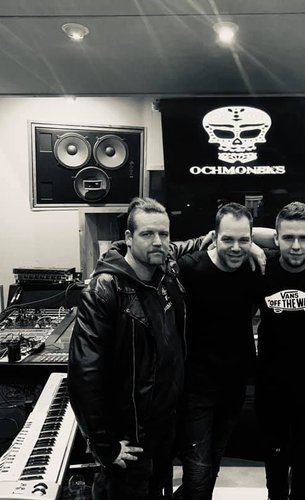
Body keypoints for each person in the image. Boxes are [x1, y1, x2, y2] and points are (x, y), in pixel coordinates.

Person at [68, 197, 206, 500]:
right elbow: (84, 374)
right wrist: (104, 446)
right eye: (147, 234)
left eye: (164, 234)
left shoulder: (166, 272)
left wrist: (244, 242)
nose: (158, 241)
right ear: (129, 238)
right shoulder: (104, 289)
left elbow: (193, 244)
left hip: (164, 430)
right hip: (129, 439)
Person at [174, 202, 260, 500]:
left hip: (233, 387)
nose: (236, 247)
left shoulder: (252, 268)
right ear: (214, 236)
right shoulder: (190, 268)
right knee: (198, 474)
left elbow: (282, 238)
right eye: (228, 239)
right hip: (196, 388)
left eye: (244, 239)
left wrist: (255, 247)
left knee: (211, 467)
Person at [255, 202, 305, 500]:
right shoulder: (261, 267)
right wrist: (250, 244)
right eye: (288, 237)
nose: (296, 246)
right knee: (274, 463)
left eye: (304, 238)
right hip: (271, 385)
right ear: (276, 238)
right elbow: (237, 235)